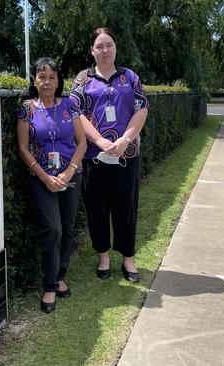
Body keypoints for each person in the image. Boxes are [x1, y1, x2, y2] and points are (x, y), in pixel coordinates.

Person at [70, 27, 149, 283]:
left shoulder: (130, 77)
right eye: (99, 46)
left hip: (127, 154)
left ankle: (128, 258)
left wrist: (125, 139)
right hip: (94, 155)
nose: (105, 50)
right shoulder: (83, 79)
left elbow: (141, 109)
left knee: (126, 207)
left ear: (116, 47)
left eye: (109, 45)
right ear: (92, 50)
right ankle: (103, 256)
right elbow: (76, 113)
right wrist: (100, 140)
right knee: (97, 207)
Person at [16, 58, 87, 313]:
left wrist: (69, 173)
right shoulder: (27, 109)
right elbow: (23, 149)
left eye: (52, 77)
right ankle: (48, 285)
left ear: (59, 80)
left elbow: (81, 143)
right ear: (34, 80)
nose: (47, 82)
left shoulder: (71, 105)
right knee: (52, 230)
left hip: (70, 176)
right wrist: (45, 177)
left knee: (67, 229)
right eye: (42, 76)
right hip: (41, 179)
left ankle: (59, 277)